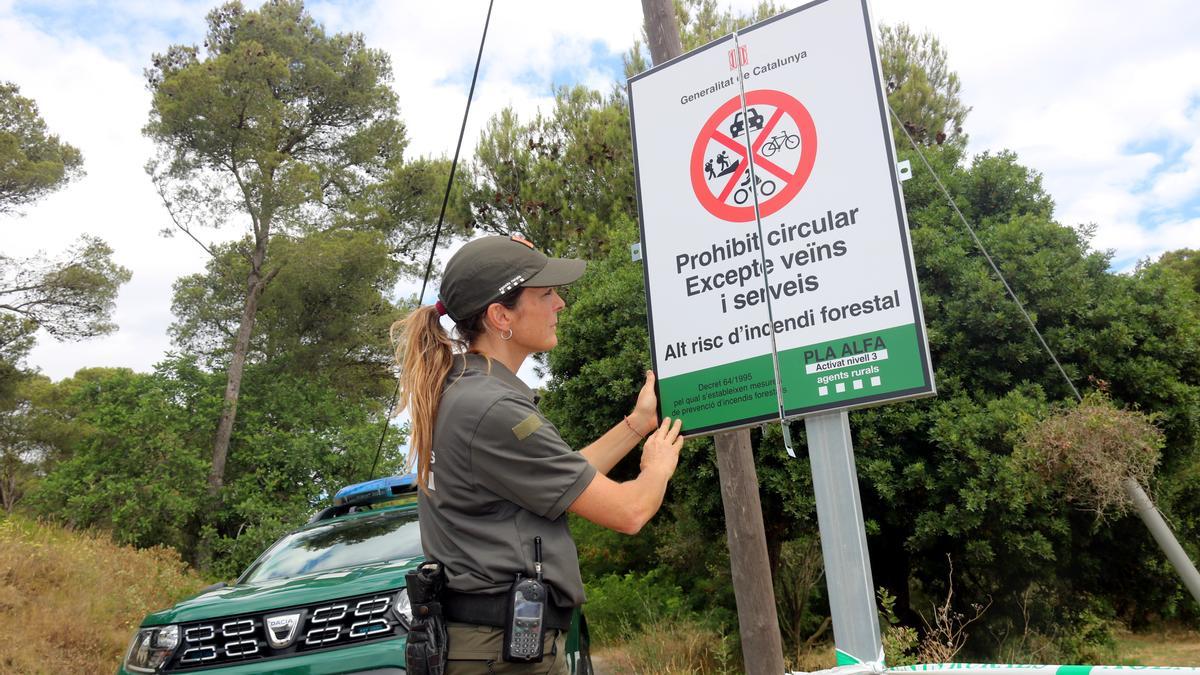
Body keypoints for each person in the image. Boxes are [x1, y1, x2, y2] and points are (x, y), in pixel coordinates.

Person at [392, 234, 684, 674]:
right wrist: (656, 467)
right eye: (545, 293)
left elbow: (563, 478)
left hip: (490, 647)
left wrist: (636, 426)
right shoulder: (492, 408)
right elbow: (630, 512)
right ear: (499, 316)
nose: (560, 304)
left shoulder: (464, 391)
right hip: (500, 655)